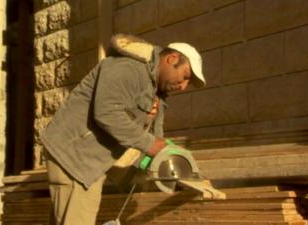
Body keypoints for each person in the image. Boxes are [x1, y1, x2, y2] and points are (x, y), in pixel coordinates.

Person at [40, 34, 206, 225]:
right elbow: (107, 113)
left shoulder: (157, 93)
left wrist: (170, 164)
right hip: (75, 157)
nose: (183, 86)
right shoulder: (129, 68)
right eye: (185, 77)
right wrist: (150, 144)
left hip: (88, 161)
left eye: (188, 83)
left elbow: (155, 140)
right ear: (172, 59)